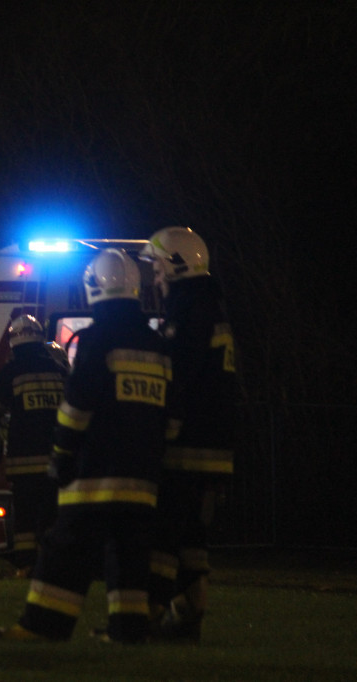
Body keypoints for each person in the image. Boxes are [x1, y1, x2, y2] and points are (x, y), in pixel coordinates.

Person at [0, 249, 178, 644]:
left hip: (95, 474)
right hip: (142, 477)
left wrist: (61, 454)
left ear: (92, 287)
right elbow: (168, 413)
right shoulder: (157, 346)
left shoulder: (95, 341)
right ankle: (129, 631)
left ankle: (42, 627)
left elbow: (77, 407)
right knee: (128, 557)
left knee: (65, 551)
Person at [140, 226, 238, 641]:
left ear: (176, 264)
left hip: (187, 446)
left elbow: (175, 378)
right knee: (193, 537)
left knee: (163, 534)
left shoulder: (189, 310)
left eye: (158, 267)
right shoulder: (210, 306)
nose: (156, 277)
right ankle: (189, 615)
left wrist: (161, 429)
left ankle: (148, 616)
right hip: (213, 445)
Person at [0, 314, 68, 576]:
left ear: (14, 341)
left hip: (23, 460)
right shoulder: (59, 371)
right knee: (50, 515)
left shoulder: (11, 371)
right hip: (54, 459)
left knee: (25, 517)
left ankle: (25, 565)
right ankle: (50, 564)